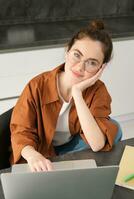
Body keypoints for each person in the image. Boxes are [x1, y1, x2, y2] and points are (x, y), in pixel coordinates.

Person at [10, 19, 119, 172]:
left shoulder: (98, 90)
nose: (80, 67)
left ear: (101, 68)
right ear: (67, 51)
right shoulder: (37, 85)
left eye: (92, 63)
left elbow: (96, 144)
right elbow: (21, 131)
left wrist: (77, 94)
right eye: (77, 55)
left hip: (70, 147)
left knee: (115, 129)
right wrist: (33, 155)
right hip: (42, 149)